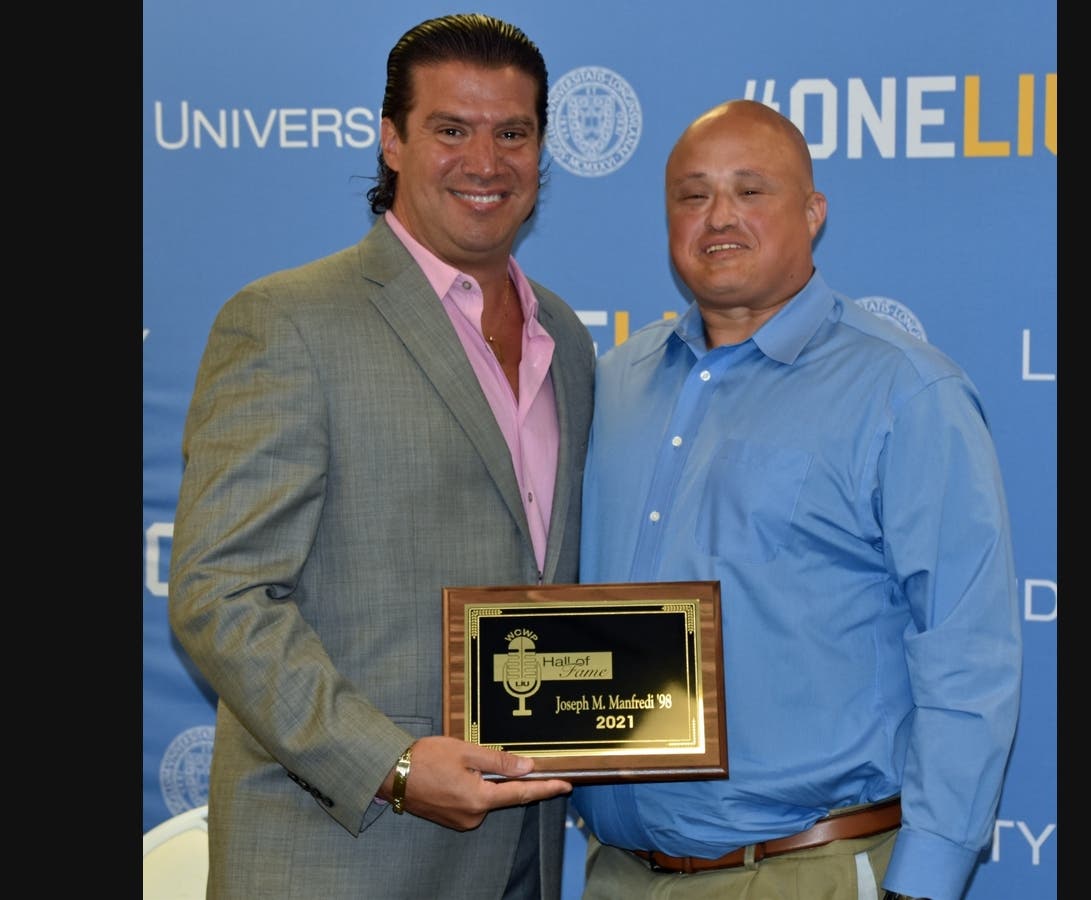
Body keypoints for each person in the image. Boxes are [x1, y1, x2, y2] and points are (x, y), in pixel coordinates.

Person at [168, 13, 595, 899]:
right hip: (344, 857)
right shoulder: (287, 322)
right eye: (452, 130)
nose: (486, 162)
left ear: (541, 151)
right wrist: (389, 765)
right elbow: (221, 595)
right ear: (392, 142)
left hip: (524, 853)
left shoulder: (566, 338)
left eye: (513, 133)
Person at [570, 99, 1022, 900]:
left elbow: (967, 650)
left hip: (807, 870)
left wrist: (926, 880)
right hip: (620, 873)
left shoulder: (905, 391)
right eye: (693, 195)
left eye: (750, 191)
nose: (719, 216)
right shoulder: (615, 382)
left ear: (813, 213)